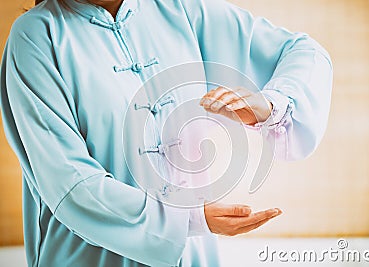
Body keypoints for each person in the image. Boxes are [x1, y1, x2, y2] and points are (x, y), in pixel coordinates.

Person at [0, 0, 333, 266]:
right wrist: (187, 220)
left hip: (194, 257)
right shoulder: (36, 37)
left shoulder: (183, 9)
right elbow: (68, 183)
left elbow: (305, 52)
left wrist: (273, 104)